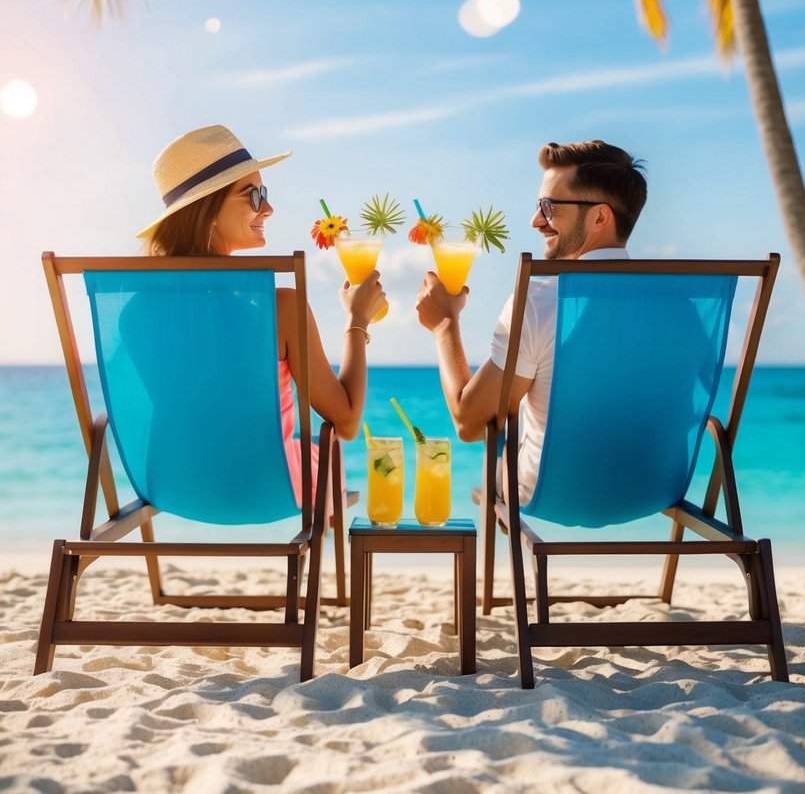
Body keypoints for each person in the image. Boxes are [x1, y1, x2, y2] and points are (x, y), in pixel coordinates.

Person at [137, 123, 386, 507]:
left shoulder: (135, 314)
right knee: (331, 457)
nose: (268, 208)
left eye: (264, 193)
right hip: (268, 489)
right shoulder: (280, 309)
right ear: (208, 213)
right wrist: (357, 322)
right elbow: (348, 423)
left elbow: (197, 420)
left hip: (175, 488)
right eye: (253, 195)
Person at [415, 139, 647, 505]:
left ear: (600, 217)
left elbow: (469, 422)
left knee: (492, 473)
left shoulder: (540, 299)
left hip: (549, 492)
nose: (536, 220)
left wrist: (445, 323)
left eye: (549, 206)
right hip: (653, 488)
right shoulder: (686, 304)